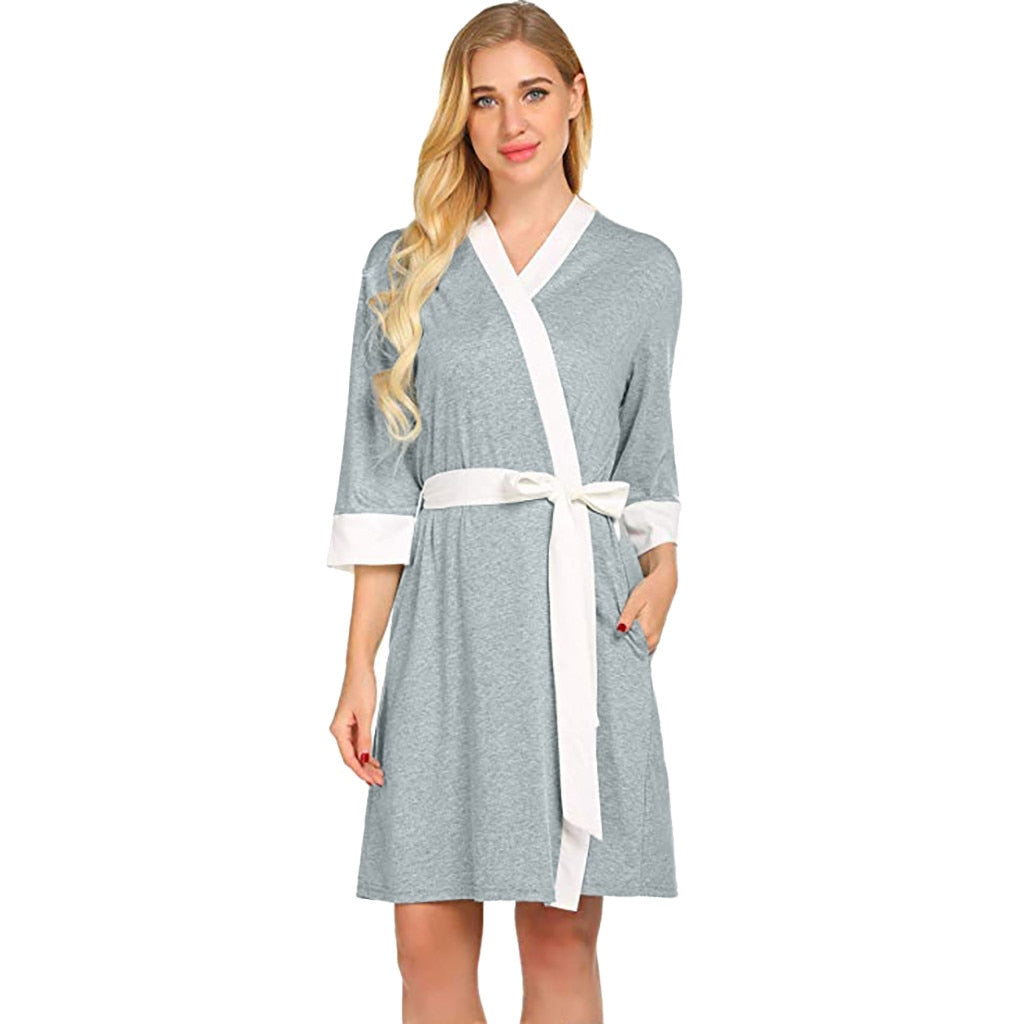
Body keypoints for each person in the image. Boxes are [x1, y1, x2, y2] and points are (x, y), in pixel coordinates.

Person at [326, 3, 683, 1020]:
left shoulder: (643, 269)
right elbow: (378, 478)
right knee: (425, 939)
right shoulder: (403, 264)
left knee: (560, 934)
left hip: (581, 610)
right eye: (484, 100)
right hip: (446, 617)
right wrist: (359, 662)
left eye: (533, 92)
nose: (511, 122)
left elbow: (647, 450)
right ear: (462, 116)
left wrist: (664, 567)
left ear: (576, 98)